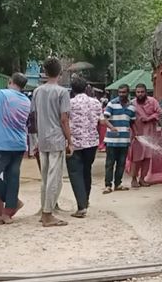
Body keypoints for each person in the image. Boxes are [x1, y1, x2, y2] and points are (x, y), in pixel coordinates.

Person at [0, 73, 30, 225]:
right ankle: (8, 211)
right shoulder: (26, 100)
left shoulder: (1, 94)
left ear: (10, 81)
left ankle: (13, 202)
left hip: (3, 143)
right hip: (20, 143)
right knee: (13, 177)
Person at [32, 58, 72, 227]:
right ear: (60, 73)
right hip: (56, 138)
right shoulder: (62, 92)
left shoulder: (37, 91)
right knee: (54, 178)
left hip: (42, 137)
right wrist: (70, 140)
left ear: (45, 72)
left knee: (44, 177)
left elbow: (34, 116)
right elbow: (64, 119)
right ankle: (48, 214)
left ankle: (44, 210)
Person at [67, 76, 101, 218]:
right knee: (87, 171)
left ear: (72, 89)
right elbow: (101, 120)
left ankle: (81, 207)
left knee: (75, 173)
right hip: (92, 143)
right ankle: (85, 200)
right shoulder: (96, 103)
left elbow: (64, 121)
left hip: (75, 143)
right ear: (86, 88)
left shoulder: (69, 103)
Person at [102, 84, 135, 193]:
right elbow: (104, 119)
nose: (121, 94)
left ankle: (118, 184)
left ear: (128, 93)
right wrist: (112, 128)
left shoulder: (131, 107)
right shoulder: (112, 104)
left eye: (124, 92)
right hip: (111, 141)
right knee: (109, 164)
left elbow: (132, 123)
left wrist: (135, 134)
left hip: (124, 141)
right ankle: (108, 185)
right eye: (120, 92)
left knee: (121, 164)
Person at [128, 84, 162, 188]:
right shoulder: (132, 104)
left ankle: (142, 179)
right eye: (138, 92)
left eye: (142, 92)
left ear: (146, 92)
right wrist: (134, 132)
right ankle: (134, 179)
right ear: (135, 93)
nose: (140, 94)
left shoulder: (152, 101)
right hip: (137, 134)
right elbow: (129, 119)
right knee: (136, 158)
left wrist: (149, 118)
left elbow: (160, 112)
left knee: (147, 158)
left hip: (149, 134)